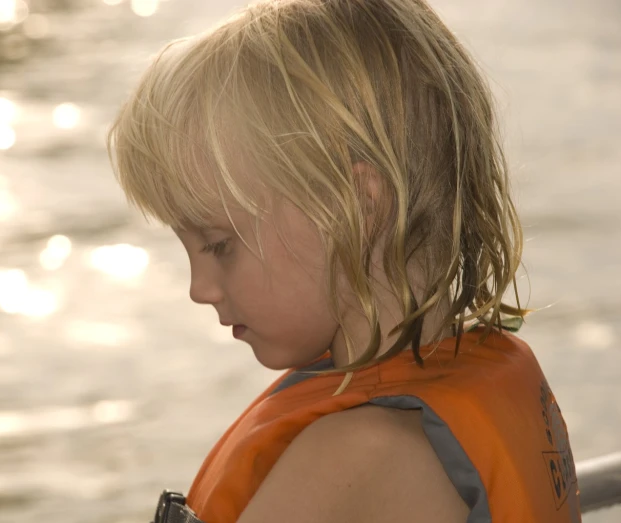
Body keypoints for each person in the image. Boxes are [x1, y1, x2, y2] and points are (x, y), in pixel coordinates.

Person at [106, 0, 581, 521]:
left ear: (355, 209)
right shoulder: (478, 382)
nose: (200, 288)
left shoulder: (359, 455)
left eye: (220, 245)